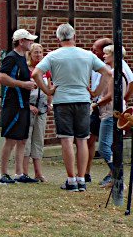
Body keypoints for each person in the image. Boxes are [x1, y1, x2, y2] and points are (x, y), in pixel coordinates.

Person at [31, 23, 112, 192]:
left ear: (58, 38)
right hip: (83, 99)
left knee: (66, 139)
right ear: (74, 36)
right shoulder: (87, 55)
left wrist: (47, 90)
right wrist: (96, 92)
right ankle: (82, 179)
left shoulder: (52, 56)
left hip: (62, 100)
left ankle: (71, 179)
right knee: (82, 139)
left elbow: (36, 73)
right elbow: (107, 73)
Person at [0, 29, 38, 184]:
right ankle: (3, 174)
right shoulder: (11, 58)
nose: (31, 43)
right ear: (21, 41)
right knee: (11, 140)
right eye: (29, 40)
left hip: (23, 105)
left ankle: (19, 173)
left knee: (22, 139)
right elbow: (1, 77)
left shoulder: (22, 58)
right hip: (13, 104)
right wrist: (23, 84)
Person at [95, 45, 129, 188]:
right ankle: (115, 178)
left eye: (106, 54)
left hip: (110, 113)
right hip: (116, 111)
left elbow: (110, 96)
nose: (104, 57)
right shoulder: (122, 71)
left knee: (103, 146)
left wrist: (96, 104)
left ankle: (118, 177)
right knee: (113, 146)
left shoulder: (115, 72)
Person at [23, 43, 52, 182]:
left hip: (42, 108)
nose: (39, 55)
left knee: (38, 140)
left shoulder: (45, 70)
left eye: (40, 52)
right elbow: (21, 92)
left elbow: (49, 87)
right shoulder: (25, 70)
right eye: (36, 52)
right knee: (26, 140)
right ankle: (24, 172)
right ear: (30, 54)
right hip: (29, 108)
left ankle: (38, 173)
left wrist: (50, 103)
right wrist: (28, 106)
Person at [85, 37, 111, 183]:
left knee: (107, 142)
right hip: (97, 103)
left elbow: (130, 81)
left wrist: (122, 99)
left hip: (105, 105)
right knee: (90, 138)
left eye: (96, 49)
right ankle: (86, 172)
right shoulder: (95, 63)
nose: (92, 51)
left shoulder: (116, 66)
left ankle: (112, 172)